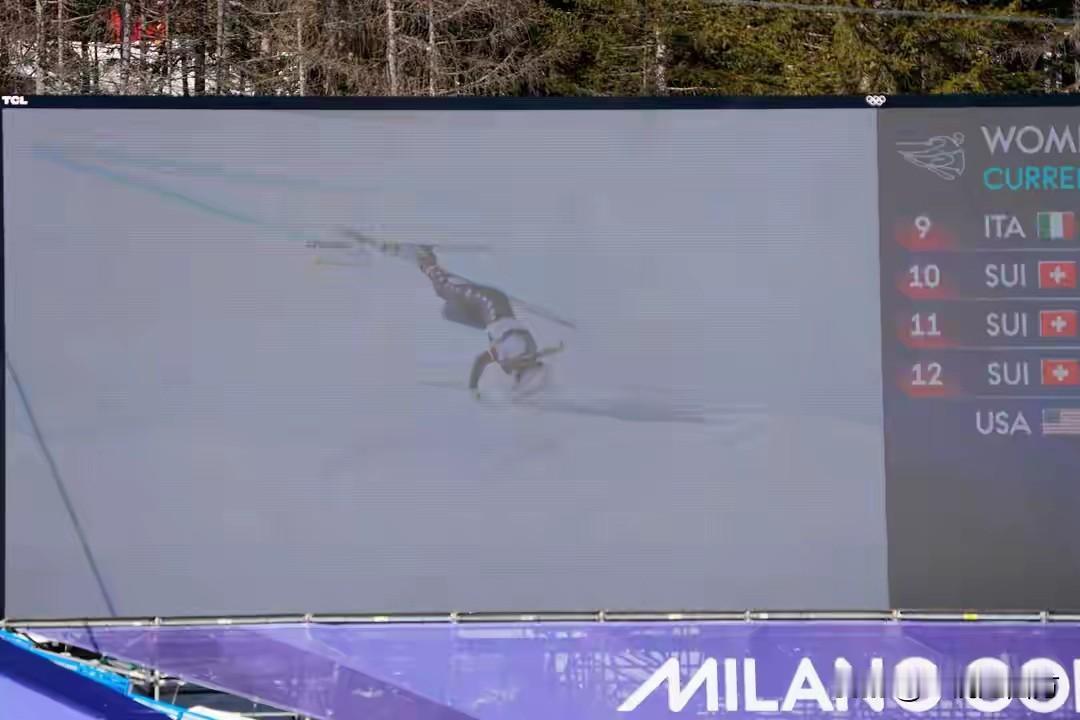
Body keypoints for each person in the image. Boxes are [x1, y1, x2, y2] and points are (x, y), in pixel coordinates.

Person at [412, 246, 547, 394]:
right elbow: (480, 361)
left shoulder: (527, 351)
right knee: (444, 289)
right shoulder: (514, 347)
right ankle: (427, 260)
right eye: (517, 376)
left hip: (491, 311)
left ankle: (446, 285)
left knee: (450, 312)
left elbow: (529, 358)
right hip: (489, 303)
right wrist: (473, 387)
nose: (512, 374)